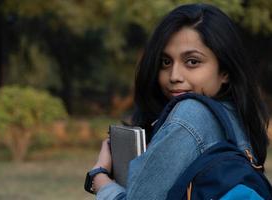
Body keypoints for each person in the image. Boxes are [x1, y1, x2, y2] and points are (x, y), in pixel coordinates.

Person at [87, 3, 270, 199]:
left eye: (192, 61)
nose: (174, 76)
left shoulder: (189, 115)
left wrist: (99, 179)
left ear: (225, 71)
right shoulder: (237, 117)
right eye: (166, 62)